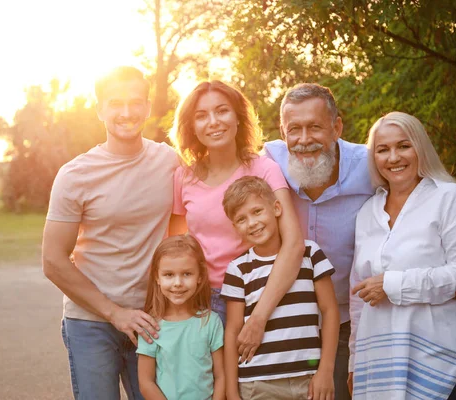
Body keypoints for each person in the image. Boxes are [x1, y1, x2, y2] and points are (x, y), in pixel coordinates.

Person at [263, 83, 456, 399]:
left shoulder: (391, 174)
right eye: (294, 129)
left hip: (366, 333)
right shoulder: (269, 164)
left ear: (337, 127)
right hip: (293, 322)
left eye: (315, 126)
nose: (304, 139)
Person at [42, 66, 179, 400]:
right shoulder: (75, 175)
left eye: (136, 103)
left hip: (151, 322)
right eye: (115, 103)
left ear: (148, 108)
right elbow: (53, 261)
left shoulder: (169, 161)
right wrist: (115, 313)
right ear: (100, 108)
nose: (127, 112)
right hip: (91, 322)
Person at [348, 112, 456, 399]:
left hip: (438, 359)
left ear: (420, 147)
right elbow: (358, 298)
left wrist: (391, 284)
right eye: (382, 150)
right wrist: (354, 362)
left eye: (403, 146)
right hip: (379, 364)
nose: (394, 157)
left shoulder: (449, 197)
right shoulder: (366, 213)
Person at [168, 80, 304, 363]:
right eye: (201, 115)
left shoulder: (264, 169)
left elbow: (293, 243)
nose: (213, 122)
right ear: (191, 126)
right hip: (202, 301)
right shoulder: (183, 177)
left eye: (222, 111)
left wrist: (258, 318)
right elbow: (177, 249)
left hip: (257, 295)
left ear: (238, 118)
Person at [220, 176, 339, 400]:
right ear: (235, 227)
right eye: (242, 219)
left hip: (309, 379)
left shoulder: (310, 254)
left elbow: (330, 311)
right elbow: (233, 330)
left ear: (276, 208)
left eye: (257, 211)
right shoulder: (238, 269)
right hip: (258, 384)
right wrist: (232, 392)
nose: (252, 222)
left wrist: (325, 370)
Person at [137, 235, 225, 400]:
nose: (178, 283)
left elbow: (220, 376)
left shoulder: (211, 322)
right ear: (157, 277)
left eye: (186, 274)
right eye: (169, 275)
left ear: (200, 276)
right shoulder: (150, 326)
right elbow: (146, 382)